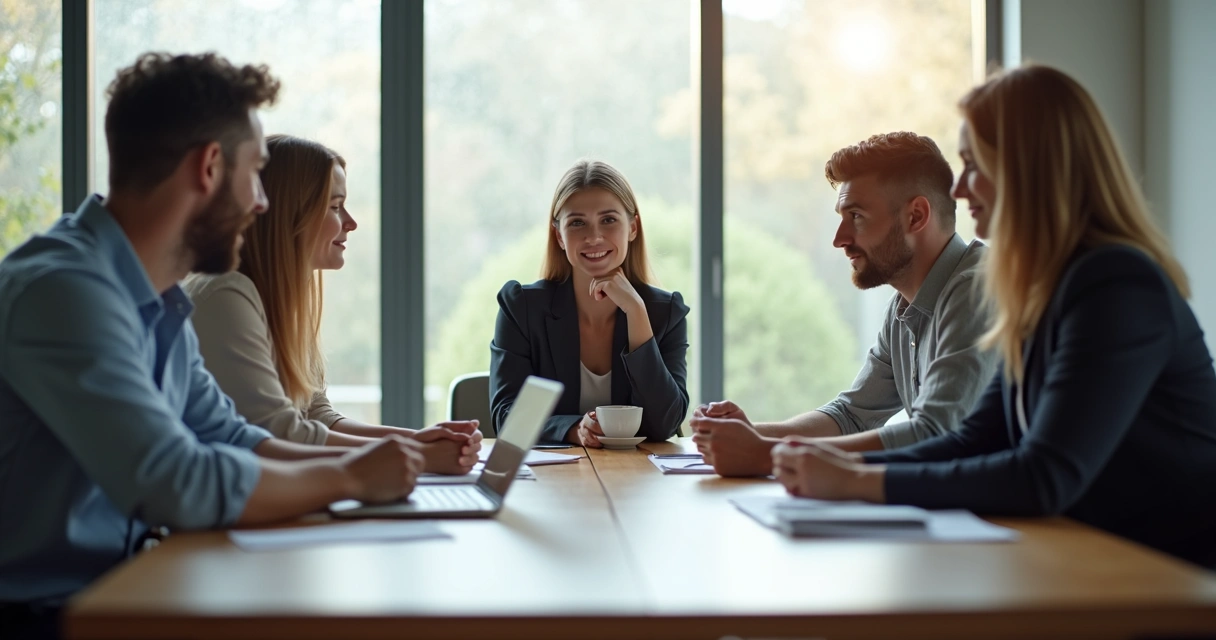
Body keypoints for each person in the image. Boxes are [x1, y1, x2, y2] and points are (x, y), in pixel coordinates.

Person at [0, 53, 423, 638]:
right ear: (209, 167)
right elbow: (175, 480)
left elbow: (231, 436)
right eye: (256, 173)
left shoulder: (161, 298)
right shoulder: (63, 293)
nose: (262, 203)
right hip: (47, 615)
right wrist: (350, 479)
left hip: (126, 589)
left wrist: (370, 466)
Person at [771, 65, 1216, 570]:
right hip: (1100, 567)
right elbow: (974, 438)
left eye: (973, 164)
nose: (959, 189)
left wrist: (857, 480)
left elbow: (1044, 475)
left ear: (1030, 169)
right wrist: (841, 464)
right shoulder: (1043, 289)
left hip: (1177, 583)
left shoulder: (1115, 282)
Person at [691, 132, 998, 476]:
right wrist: (749, 435)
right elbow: (851, 415)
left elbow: (936, 433)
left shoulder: (977, 290)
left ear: (915, 217)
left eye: (856, 216)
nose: (840, 240)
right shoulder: (903, 308)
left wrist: (767, 454)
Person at [184, 134, 480, 474]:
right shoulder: (225, 297)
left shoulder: (278, 301)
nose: (351, 223)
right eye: (336, 207)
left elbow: (317, 415)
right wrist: (418, 455)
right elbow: (279, 433)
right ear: (289, 214)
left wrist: (418, 440)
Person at [490, 160, 689, 447]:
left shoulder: (665, 312)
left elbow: (664, 424)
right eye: (577, 223)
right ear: (559, 235)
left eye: (608, 220)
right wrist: (573, 429)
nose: (594, 237)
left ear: (633, 228)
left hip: (639, 483)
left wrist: (636, 313)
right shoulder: (521, 308)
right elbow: (507, 418)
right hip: (551, 483)